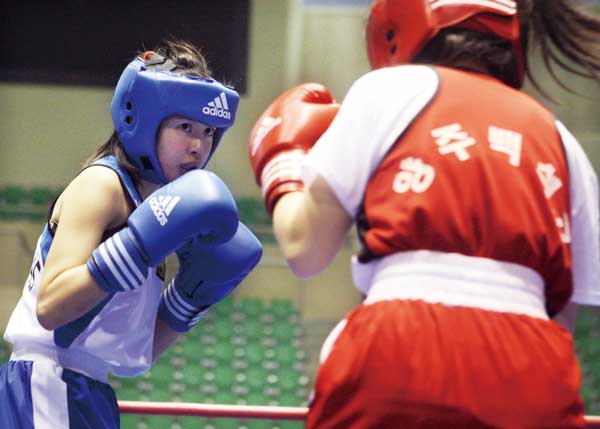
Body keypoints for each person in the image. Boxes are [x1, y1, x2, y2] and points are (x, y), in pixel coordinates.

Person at [248, 1, 600, 428]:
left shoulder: (391, 90)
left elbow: (306, 250)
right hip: (535, 365)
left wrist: (279, 164)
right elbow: (563, 317)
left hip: (399, 346)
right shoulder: (562, 142)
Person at [0, 39, 262, 428]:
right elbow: (51, 307)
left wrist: (190, 298)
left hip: (91, 390)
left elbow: (137, 354)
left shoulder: (157, 210)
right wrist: (135, 249)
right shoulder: (102, 186)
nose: (197, 146)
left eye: (208, 131)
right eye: (184, 126)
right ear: (141, 118)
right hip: (46, 381)